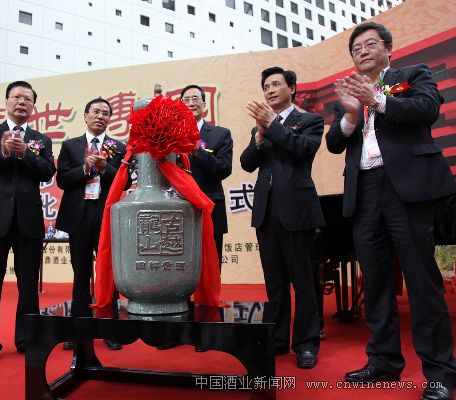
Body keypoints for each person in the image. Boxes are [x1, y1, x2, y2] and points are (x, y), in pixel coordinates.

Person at [326, 22, 456, 400]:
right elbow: (334, 143)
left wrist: (378, 100)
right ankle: (383, 360)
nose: (362, 52)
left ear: (388, 48)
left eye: (370, 44)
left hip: (406, 189)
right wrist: (351, 115)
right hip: (365, 190)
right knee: (375, 281)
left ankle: (440, 372)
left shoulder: (411, 75)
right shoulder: (349, 93)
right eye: (356, 49)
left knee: (421, 280)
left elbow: (427, 109)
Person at [240, 67, 325, 369]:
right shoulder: (261, 126)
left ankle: (306, 344)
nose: (270, 90)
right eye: (266, 86)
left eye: (276, 84)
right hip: (266, 212)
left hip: (298, 211)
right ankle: (277, 339)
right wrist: (259, 138)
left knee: (303, 282)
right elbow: (247, 163)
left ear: (292, 88)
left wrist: (273, 125)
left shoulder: (309, 120)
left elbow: (302, 150)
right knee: (274, 282)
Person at [0, 80, 56, 367]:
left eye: (27, 99)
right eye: (16, 97)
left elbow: (47, 172)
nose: (21, 102)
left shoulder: (41, 140)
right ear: (6, 102)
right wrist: (3, 152)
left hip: (28, 220)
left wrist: (26, 152)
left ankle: (26, 339)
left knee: (28, 284)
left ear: (33, 107)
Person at [55, 98, 127, 350]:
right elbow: (62, 180)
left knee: (108, 274)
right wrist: (85, 169)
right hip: (79, 215)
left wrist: (106, 168)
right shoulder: (70, 146)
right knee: (81, 273)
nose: (100, 116)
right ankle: (79, 331)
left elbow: (126, 181)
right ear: (85, 116)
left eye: (105, 113)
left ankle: (110, 330)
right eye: (95, 112)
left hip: (107, 215)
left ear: (110, 119)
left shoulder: (119, 147)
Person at [180, 84, 233, 268]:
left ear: (204, 105)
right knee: (181, 265)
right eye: (186, 100)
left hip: (210, 207)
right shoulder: (171, 136)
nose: (190, 103)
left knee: (211, 265)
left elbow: (224, 169)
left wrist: (198, 152)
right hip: (179, 209)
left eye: (195, 99)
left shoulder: (220, 134)